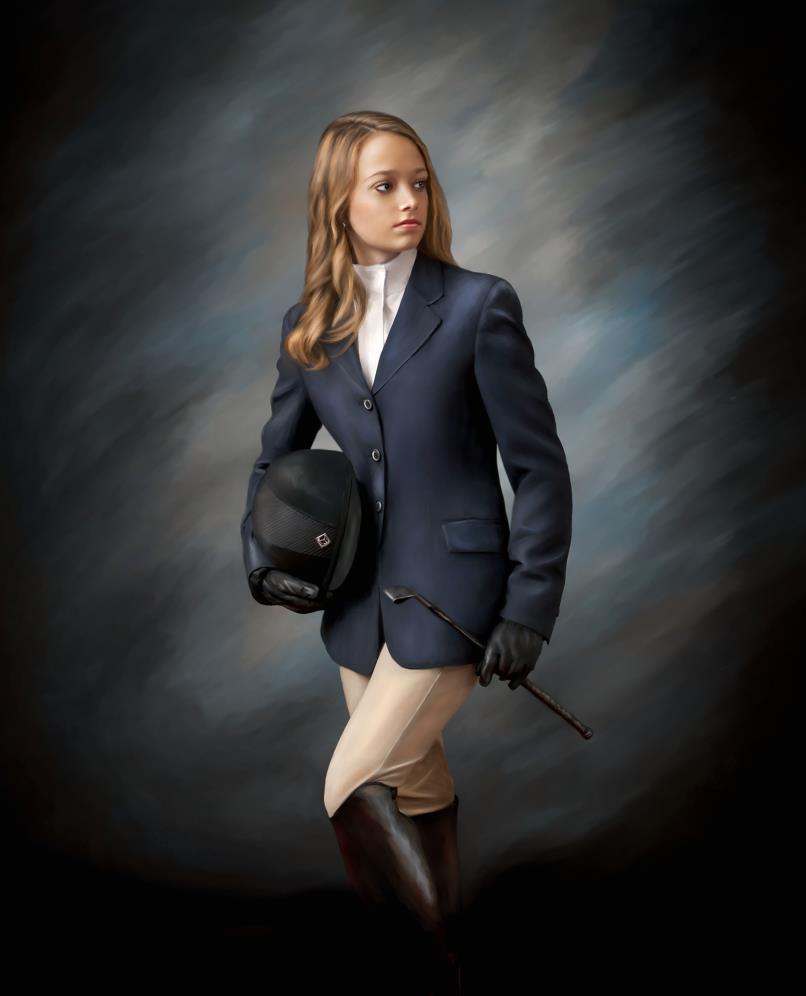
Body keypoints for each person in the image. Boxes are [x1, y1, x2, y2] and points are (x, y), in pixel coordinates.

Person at [240, 111, 573, 993]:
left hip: (457, 597)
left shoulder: (479, 306)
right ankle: (452, 942)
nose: (409, 200)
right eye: (385, 185)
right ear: (338, 203)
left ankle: (435, 974)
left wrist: (530, 606)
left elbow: (539, 470)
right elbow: (275, 461)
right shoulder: (310, 327)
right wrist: (264, 557)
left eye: (419, 182)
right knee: (416, 789)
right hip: (356, 609)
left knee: (350, 784)